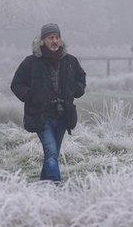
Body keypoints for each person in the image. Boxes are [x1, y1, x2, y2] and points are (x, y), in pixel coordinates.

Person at [10, 23, 86, 183]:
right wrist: (32, 96)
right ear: (42, 40)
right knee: (51, 152)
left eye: (57, 37)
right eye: (51, 37)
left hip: (64, 115)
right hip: (41, 116)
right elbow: (16, 84)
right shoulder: (31, 62)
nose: (55, 41)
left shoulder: (70, 61)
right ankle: (55, 187)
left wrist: (76, 90)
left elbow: (81, 78)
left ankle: (43, 187)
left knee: (52, 154)